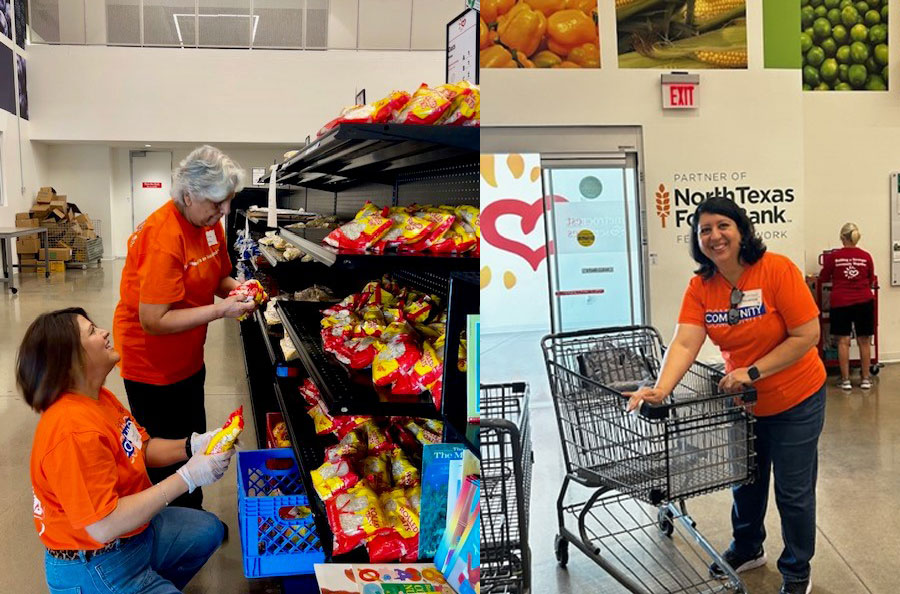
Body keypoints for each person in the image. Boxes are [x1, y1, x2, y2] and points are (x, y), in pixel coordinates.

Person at [625, 198, 825, 594]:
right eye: (704, 230)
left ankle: (797, 569)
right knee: (746, 481)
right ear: (697, 240)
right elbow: (685, 341)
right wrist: (662, 389)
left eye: (722, 226)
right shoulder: (702, 286)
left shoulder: (776, 270)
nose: (714, 236)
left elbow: (808, 335)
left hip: (795, 398)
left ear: (741, 230)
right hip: (744, 404)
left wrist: (751, 372)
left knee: (793, 490)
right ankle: (749, 547)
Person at [19, 308, 234, 594]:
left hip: (135, 535)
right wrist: (189, 477)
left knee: (209, 530)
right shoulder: (72, 431)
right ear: (71, 361)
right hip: (97, 562)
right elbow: (104, 525)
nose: (104, 332)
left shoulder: (98, 397)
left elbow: (139, 449)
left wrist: (192, 445)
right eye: (92, 332)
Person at [113, 145, 257, 509]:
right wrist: (221, 311)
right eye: (217, 202)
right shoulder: (163, 236)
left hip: (188, 355)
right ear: (188, 195)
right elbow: (154, 320)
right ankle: (174, 524)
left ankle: (195, 515)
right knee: (167, 446)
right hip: (151, 364)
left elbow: (218, 276)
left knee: (193, 435)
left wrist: (240, 291)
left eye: (229, 201)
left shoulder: (208, 225)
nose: (225, 211)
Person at [819, 222, 875, 391]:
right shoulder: (866, 256)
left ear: (843, 238)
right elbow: (871, 279)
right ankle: (865, 379)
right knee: (864, 341)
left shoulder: (834, 257)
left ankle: (845, 380)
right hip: (864, 301)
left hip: (841, 302)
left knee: (843, 341)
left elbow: (823, 276)